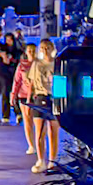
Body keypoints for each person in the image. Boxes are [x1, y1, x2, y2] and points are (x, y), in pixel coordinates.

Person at [27, 38, 62, 170]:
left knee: (53, 131)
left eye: (47, 48)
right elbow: (31, 82)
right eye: (42, 48)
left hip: (54, 98)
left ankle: (52, 160)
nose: (45, 51)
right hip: (40, 97)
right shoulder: (36, 64)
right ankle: (40, 160)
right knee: (40, 131)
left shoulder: (58, 64)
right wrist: (29, 99)